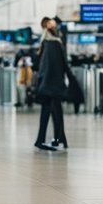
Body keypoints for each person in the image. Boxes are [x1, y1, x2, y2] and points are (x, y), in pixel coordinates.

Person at [34, 17, 69, 151]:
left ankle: (57, 138)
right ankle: (54, 139)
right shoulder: (52, 43)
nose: (55, 25)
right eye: (52, 23)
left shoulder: (45, 42)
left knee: (52, 111)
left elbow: (39, 64)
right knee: (53, 111)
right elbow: (57, 65)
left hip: (48, 83)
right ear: (48, 26)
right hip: (51, 84)